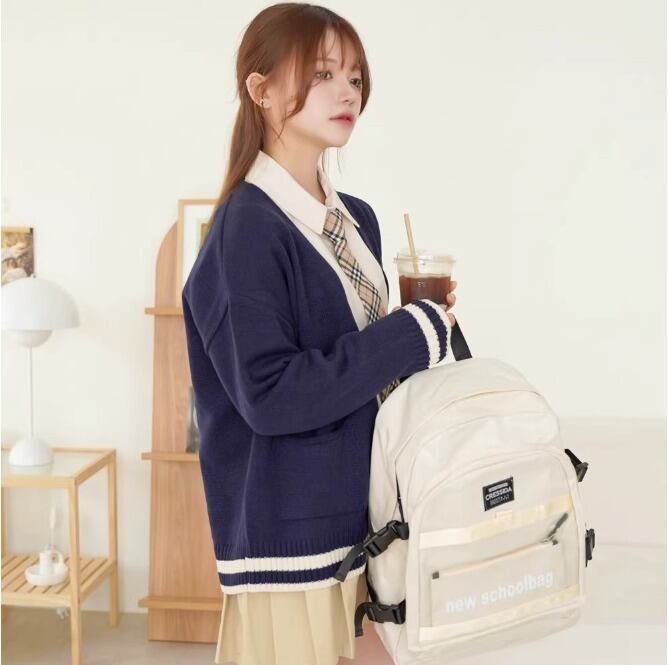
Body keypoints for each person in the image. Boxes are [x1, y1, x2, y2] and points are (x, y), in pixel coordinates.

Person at [181, 4, 457, 664]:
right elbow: (271, 395)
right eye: (324, 73)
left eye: (355, 77)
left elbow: (364, 378)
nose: (347, 92)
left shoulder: (356, 219)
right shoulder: (246, 230)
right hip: (294, 548)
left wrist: (425, 329)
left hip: (370, 524)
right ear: (261, 88)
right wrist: (408, 333)